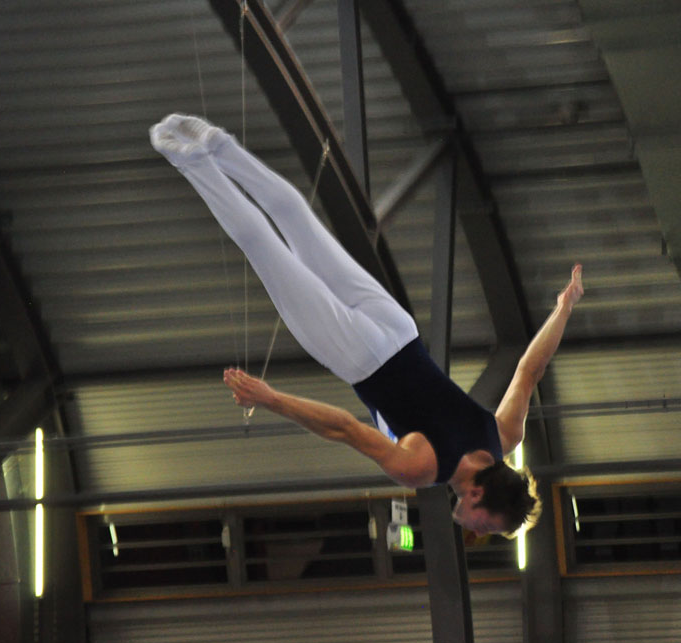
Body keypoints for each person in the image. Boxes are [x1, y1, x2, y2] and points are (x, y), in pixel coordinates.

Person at [150, 113, 583, 537]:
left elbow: (530, 370)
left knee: (302, 228)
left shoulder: (502, 436)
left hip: (399, 330)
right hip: (361, 357)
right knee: (266, 250)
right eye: (486, 524)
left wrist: (563, 309)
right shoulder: (422, 467)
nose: (477, 530)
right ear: (477, 495)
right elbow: (344, 427)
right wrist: (271, 399)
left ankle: (219, 145)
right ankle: (191, 160)